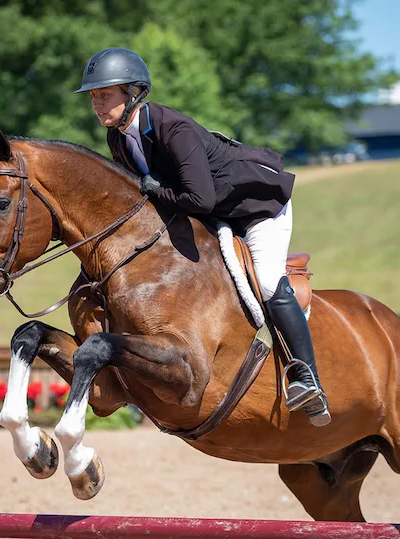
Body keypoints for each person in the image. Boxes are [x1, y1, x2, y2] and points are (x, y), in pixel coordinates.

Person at [75, 48, 331, 426]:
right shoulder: (118, 138)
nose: (97, 104)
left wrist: (155, 189)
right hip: (212, 214)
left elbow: (199, 196)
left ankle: (307, 378)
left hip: (255, 207)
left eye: (105, 95)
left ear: (133, 93)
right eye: (94, 97)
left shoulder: (171, 129)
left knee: (266, 282)